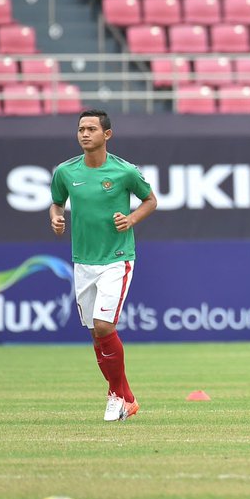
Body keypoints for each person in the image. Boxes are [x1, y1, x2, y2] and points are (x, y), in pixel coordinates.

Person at [50, 109, 157, 422]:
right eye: (81, 129)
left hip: (117, 258)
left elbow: (150, 200)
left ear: (106, 134)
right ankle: (127, 398)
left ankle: (116, 397)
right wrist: (55, 217)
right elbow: (57, 201)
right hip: (83, 261)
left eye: (91, 129)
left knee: (104, 326)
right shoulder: (66, 172)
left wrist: (131, 219)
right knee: (97, 334)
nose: (85, 134)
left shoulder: (124, 171)